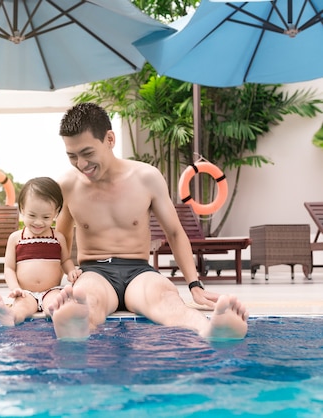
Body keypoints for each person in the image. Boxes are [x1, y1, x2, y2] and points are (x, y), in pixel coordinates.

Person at [47, 102, 249, 340]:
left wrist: (195, 285)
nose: (81, 164)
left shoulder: (146, 178)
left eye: (88, 153)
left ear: (110, 139)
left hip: (138, 271)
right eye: (72, 156)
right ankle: (77, 328)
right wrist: (43, 292)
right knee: (86, 297)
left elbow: (174, 233)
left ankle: (210, 329)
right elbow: (59, 241)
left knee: (164, 295)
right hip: (94, 269)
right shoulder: (67, 185)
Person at [0, 177, 82, 326]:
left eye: (46, 217)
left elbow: (65, 260)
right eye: (32, 215)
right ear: (22, 209)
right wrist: (16, 289)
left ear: (56, 212)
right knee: (21, 307)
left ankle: (55, 313)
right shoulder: (16, 238)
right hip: (26, 293)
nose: (38, 222)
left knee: (54, 302)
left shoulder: (57, 237)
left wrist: (71, 271)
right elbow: (9, 268)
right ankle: (11, 316)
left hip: (51, 290)